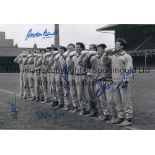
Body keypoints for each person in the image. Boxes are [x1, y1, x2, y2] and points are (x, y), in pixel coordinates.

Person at [102, 38, 133, 126]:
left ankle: (129, 119)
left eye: (117, 44)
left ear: (122, 46)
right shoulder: (114, 56)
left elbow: (129, 69)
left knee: (125, 100)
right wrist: (105, 52)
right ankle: (120, 116)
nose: (115, 46)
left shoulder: (127, 56)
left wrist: (126, 80)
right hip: (114, 82)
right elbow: (104, 61)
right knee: (117, 101)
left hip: (123, 82)